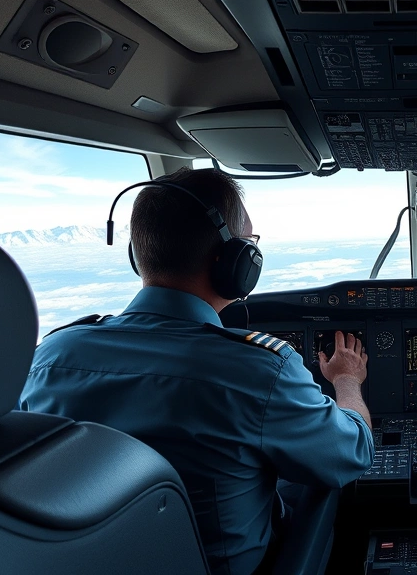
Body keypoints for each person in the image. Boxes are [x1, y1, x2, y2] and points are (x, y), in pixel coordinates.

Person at [20, 167, 374, 575]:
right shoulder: (259, 369)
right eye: (250, 244)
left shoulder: (50, 356)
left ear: (138, 256)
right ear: (236, 262)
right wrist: (347, 381)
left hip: (92, 563)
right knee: (318, 482)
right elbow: (352, 452)